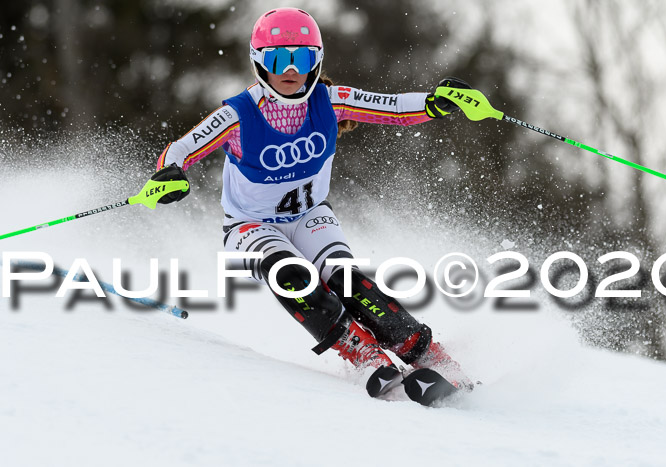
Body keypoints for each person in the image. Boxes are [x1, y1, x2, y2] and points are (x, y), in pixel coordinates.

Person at [150, 7, 473, 394]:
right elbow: (183, 148)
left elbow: (393, 108)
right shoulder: (238, 114)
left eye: (301, 59)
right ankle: (363, 353)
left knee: (348, 282)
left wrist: (435, 103)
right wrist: (170, 173)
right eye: (277, 59)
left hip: (310, 215)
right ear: (260, 63)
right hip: (250, 225)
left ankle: (430, 356)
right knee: (291, 276)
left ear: (315, 62)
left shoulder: (330, 101)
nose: (290, 70)